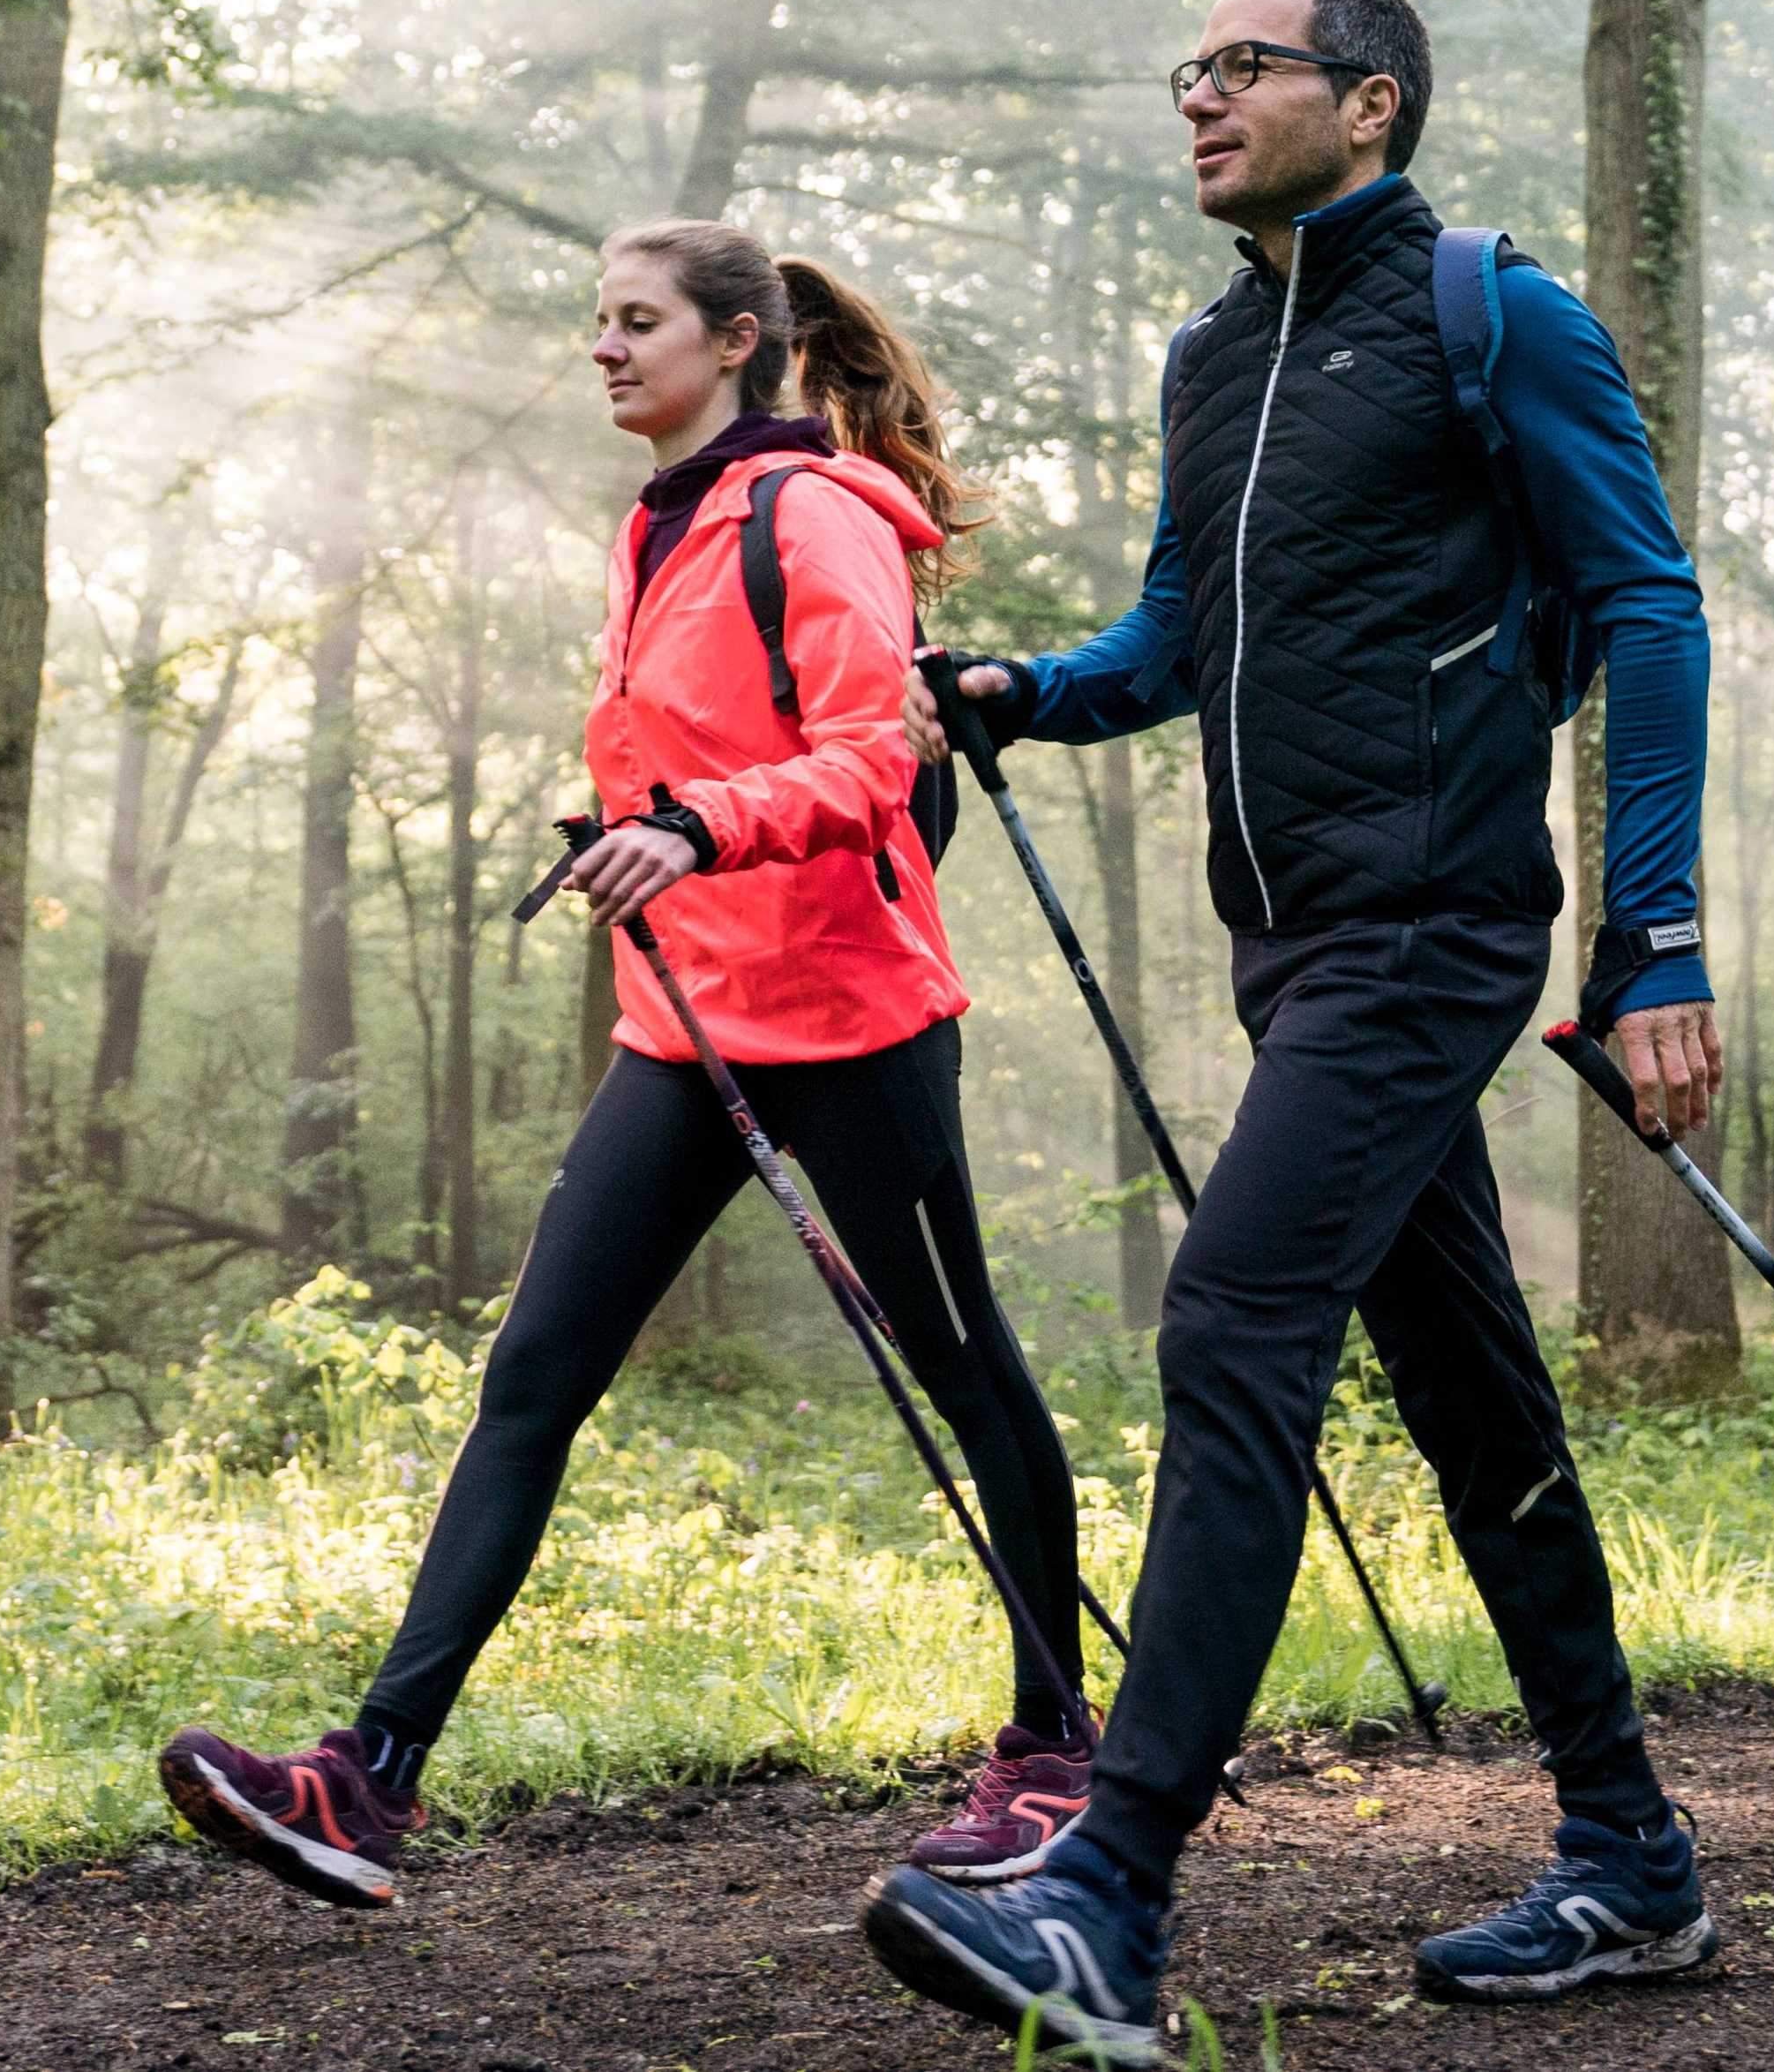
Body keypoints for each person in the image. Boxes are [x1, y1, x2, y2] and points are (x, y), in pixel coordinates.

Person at [860, 0, 1728, 2063]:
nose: (1197, 95)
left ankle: (1112, 1890)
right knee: (1472, 1399)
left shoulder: (1487, 311)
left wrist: (1654, 944)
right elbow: (1180, 626)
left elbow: (1644, 605)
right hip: (1295, 948)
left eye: (1240, 62)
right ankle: (1629, 1856)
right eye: (1188, 66)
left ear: (1372, 99)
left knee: (1232, 1320)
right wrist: (1027, 690)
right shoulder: (1213, 352)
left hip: (1428, 932)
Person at [159, 222, 1095, 1908]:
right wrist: (648, 829)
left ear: (737, 341)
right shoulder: (659, 522)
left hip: (853, 1022)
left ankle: (1057, 1756)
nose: (603, 346)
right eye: (595, 320)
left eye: (637, 320)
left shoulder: (811, 516)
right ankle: (368, 1780)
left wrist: (693, 826)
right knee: (533, 1377)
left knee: (965, 1374)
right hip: (681, 1028)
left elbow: (874, 757)